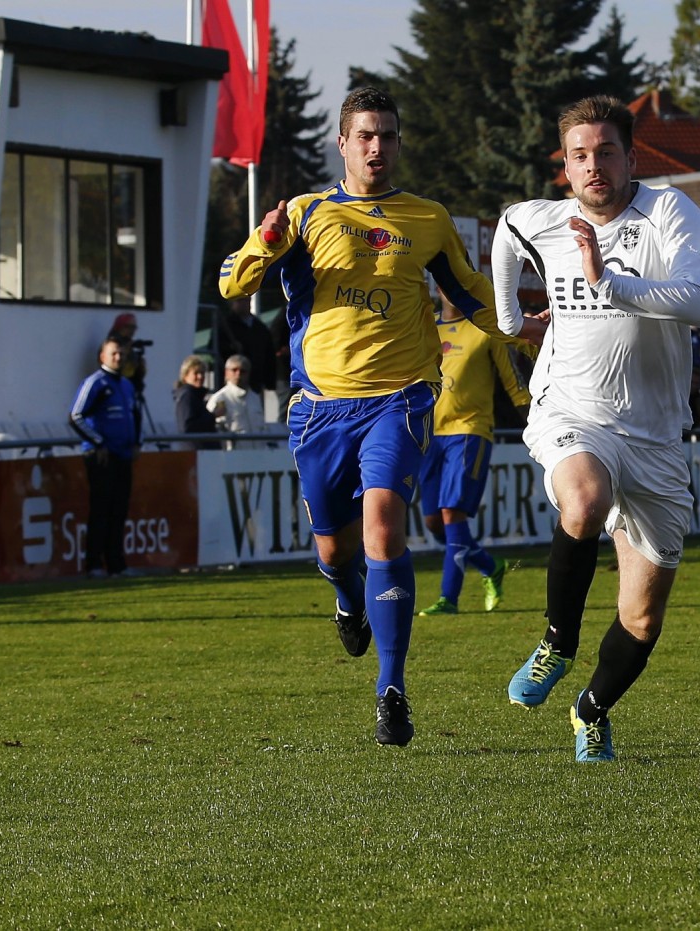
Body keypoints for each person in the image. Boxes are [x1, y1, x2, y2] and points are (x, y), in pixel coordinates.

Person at [218, 86, 519, 747]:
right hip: (322, 410)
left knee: (384, 527)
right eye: (366, 136)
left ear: (399, 144)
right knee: (334, 549)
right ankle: (348, 599)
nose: (378, 147)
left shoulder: (428, 218)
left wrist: (526, 325)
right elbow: (231, 284)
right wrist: (266, 240)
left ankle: (392, 688)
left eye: (388, 136)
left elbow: (469, 295)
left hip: (402, 399)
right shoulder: (305, 212)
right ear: (344, 144)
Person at [491, 95, 700, 762]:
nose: (594, 166)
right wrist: (511, 322)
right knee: (584, 499)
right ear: (563, 164)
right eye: (580, 155)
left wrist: (609, 281)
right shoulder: (542, 218)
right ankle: (557, 640)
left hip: (656, 438)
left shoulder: (669, 212)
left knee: (643, 615)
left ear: (632, 157)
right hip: (572, 411)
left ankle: (591, 709)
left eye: (607, 152)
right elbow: (507, 231)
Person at [416, 293, 531, 617]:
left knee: (453, 514)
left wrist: (534, 425)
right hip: (429, 435)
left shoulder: (484, 328)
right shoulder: (427, 328)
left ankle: (448, 599)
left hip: (469, 431)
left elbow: (513, 382)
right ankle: (491, 566)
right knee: (434, 522)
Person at [70, 339, 143, 577]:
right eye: (114, 354)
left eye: (122, 354)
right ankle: (93, 564)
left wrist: (136, 443)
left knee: (119, 510)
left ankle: (116, 564)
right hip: (102, 456)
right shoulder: (95, 383)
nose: (118, 358)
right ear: (103, 356)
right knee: (101, 510)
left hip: (123, 454)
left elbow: (135, 416)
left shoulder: (127, 385)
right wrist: (97, 443)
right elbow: (75, 416)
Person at [216, 298, 277, 395]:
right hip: (231, 381)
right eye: (240, 301)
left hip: (255, 381)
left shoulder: (259, 327)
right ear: (232, 303)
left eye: (246, 300)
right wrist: (231, 347)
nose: (244, 304)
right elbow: (215, 347)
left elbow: (269, 354)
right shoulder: (225, 325)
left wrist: (269, 381)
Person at [206, 355, 268, 441]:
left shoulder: (255, 398)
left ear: (248, 374)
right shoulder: (219, 398)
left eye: (243, 371)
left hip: (258, 451)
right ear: (226, 373)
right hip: (232, 453)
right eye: (234, 370)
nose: (238, 374)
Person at [172, 355, 219, 448]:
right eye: (196, 373)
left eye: (202, 373)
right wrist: (213, 416)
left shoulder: (194, 395)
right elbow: (187, 427)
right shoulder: (188, 395)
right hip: (197, 454)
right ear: (185, 376)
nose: (200, 377)